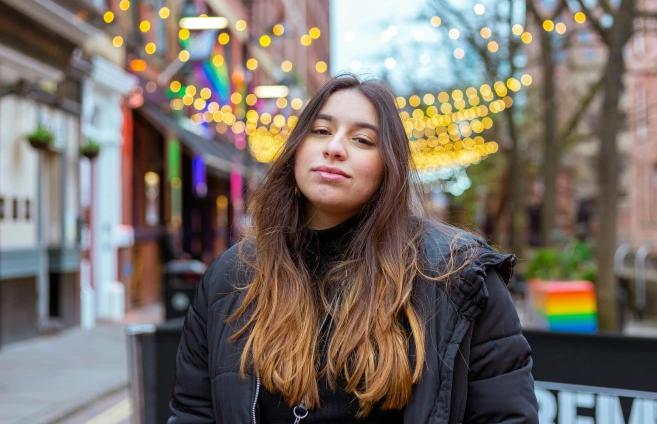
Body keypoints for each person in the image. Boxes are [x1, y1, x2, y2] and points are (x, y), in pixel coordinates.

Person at [169, 75, 538, 423]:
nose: (334, 148)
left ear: (387, 167)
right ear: (297, 150)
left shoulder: (459, 276)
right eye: (321, 131)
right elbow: (193, 412)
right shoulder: (231, 277)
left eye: (362, 140)